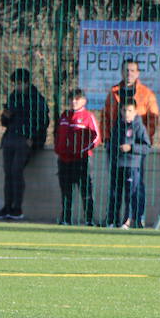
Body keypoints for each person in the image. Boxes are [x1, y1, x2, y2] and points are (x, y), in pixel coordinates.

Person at [0, 67, 50, 220]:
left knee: (16, 171)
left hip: (25, 139)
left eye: (20, 83)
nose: (17, 87)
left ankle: (16, 208)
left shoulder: (36, 99)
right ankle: (7, 206)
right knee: (8, 173)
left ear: (26, 83)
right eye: (15, 84)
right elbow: (6, 121)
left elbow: (43, 121)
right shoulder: (13, 96)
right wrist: (5, 116)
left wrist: (32, 137)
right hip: (11, 136)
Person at [55, 88, 100, 225]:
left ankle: (89, 220)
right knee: (66, 192)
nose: (74, 101)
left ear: (84, 101)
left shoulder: (88, 116)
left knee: (85, 191)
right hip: (64, 159)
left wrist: (82, 151)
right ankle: (66, 219)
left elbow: (96, 138)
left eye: (77, 99)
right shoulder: (64, 115)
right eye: (71, 99)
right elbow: (57, 134)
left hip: (81, 160)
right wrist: (59, 148)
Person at [105, 98, 152, 228]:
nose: (126, 113)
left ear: (135, 111)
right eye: (124, 110)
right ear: (120, 111)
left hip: (132, 166)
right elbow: (112, 143)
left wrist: (131, 148)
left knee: (130, 195)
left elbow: (147, 147)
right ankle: (112, 220)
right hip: (117, 165)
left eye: (130, 110)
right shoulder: (117, 125)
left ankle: (128, 220)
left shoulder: (139, 126)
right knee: (115, 194)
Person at [100, 58, 160, 148]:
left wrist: (142, 139)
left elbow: (153, 119)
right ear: (122, 72)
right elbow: (105, 117)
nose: (129, 73)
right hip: (115, 143)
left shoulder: (147, 94)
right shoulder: (113, 92)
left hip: (136, 146)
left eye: (132, 70)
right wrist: (106, 138)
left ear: (137, 73)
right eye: (126, 70)